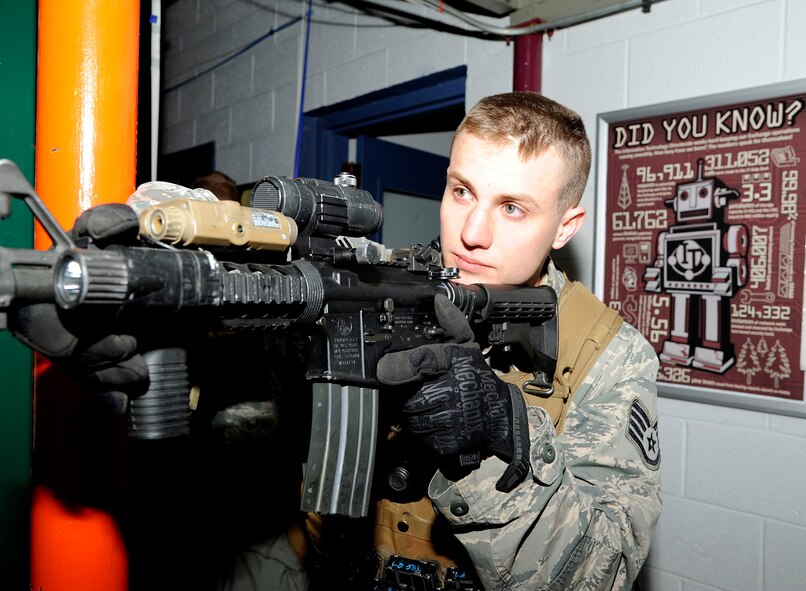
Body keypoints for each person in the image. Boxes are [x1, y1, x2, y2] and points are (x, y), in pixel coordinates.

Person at [11, 92, 661, 590]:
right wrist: (144, 290)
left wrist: (492, 444)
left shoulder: (609, 353)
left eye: (513, 207)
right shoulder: (375, 276)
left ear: (565, 225)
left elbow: (598, 574)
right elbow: (245, 384)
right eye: (462, 191)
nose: (473, 231)